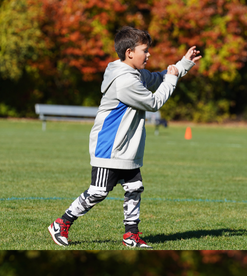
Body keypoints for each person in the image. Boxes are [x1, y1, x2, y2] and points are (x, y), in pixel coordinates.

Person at [47, 27, 200, 248]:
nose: (149, 55)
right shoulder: (124, 80)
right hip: (110, 146)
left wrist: (183, 63)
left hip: (127, 147)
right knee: (98, 191)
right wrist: (173, 79)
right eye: (145, 51)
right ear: (129, 52)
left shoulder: (134, 73)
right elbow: (154, 103)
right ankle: (61, 223)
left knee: (134, 188)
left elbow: (158, 78)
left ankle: (131, 235)